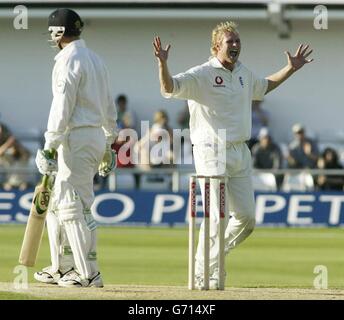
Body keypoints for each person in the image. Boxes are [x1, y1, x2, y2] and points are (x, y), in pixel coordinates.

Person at [153, 21, 313, 289]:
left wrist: (290, 69)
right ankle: (207, 271)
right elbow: (169, 88)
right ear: (217, 46)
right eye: (230, 42)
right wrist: (162, 64)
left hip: (240, 150)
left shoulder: (242, 73)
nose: (236, 45)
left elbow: (263, 86)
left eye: (238, 41)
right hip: (211, 151)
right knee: (218, 217)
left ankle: (209, 261)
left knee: (247, 219)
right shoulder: (201, 74)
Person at [34, 8, 118, 288]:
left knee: (72, 207)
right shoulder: (96, 59)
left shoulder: (68, 60)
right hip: (92, 137)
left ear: (59, 32)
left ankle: (88, 273)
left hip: (76, 138)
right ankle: (61, 267)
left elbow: (62, 105)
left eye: (52, 31)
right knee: (60, 205)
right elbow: (109, 104)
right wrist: (109, 141)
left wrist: (49, 145)